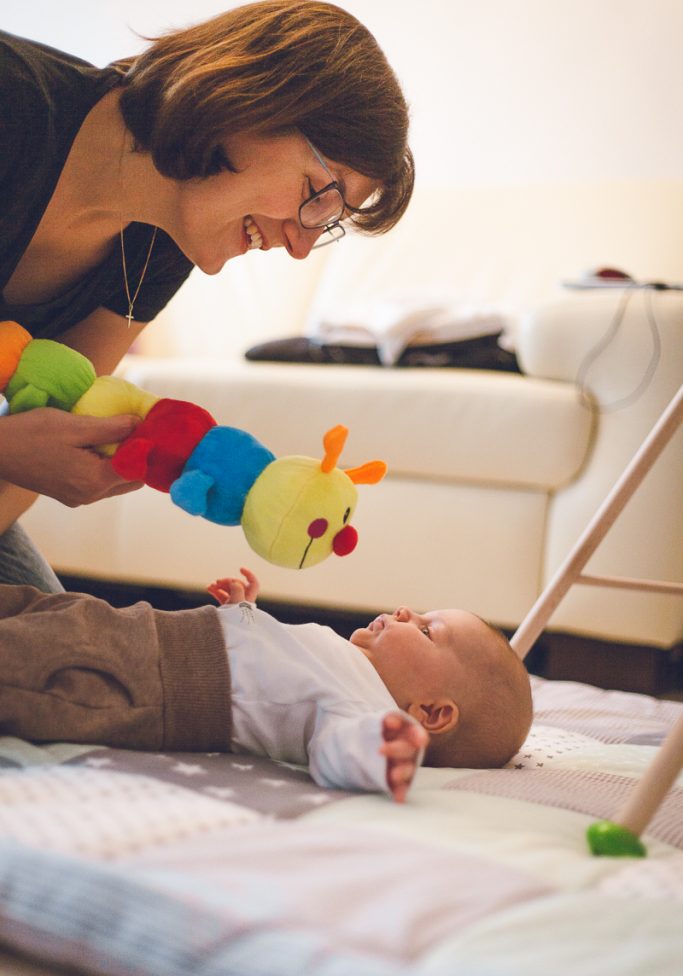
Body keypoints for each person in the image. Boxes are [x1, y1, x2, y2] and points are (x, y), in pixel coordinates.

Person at [0, 0, 414, 591]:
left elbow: (55, 422)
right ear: (251, 100)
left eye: (328, 223)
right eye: (319, 196)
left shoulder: (162, 244)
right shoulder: (13, 107)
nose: (300, 247)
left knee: (69, 652)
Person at [0, 568, 532, 802]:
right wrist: (245, 613)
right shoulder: (346, 662)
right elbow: (272, 665)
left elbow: (339, 752)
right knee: (35, 609)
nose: (403, 611)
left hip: (151, 680)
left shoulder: (362, 706)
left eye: (425, 629)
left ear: (432, 714)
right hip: (142, 634)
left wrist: (387, 750)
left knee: (27, 661)